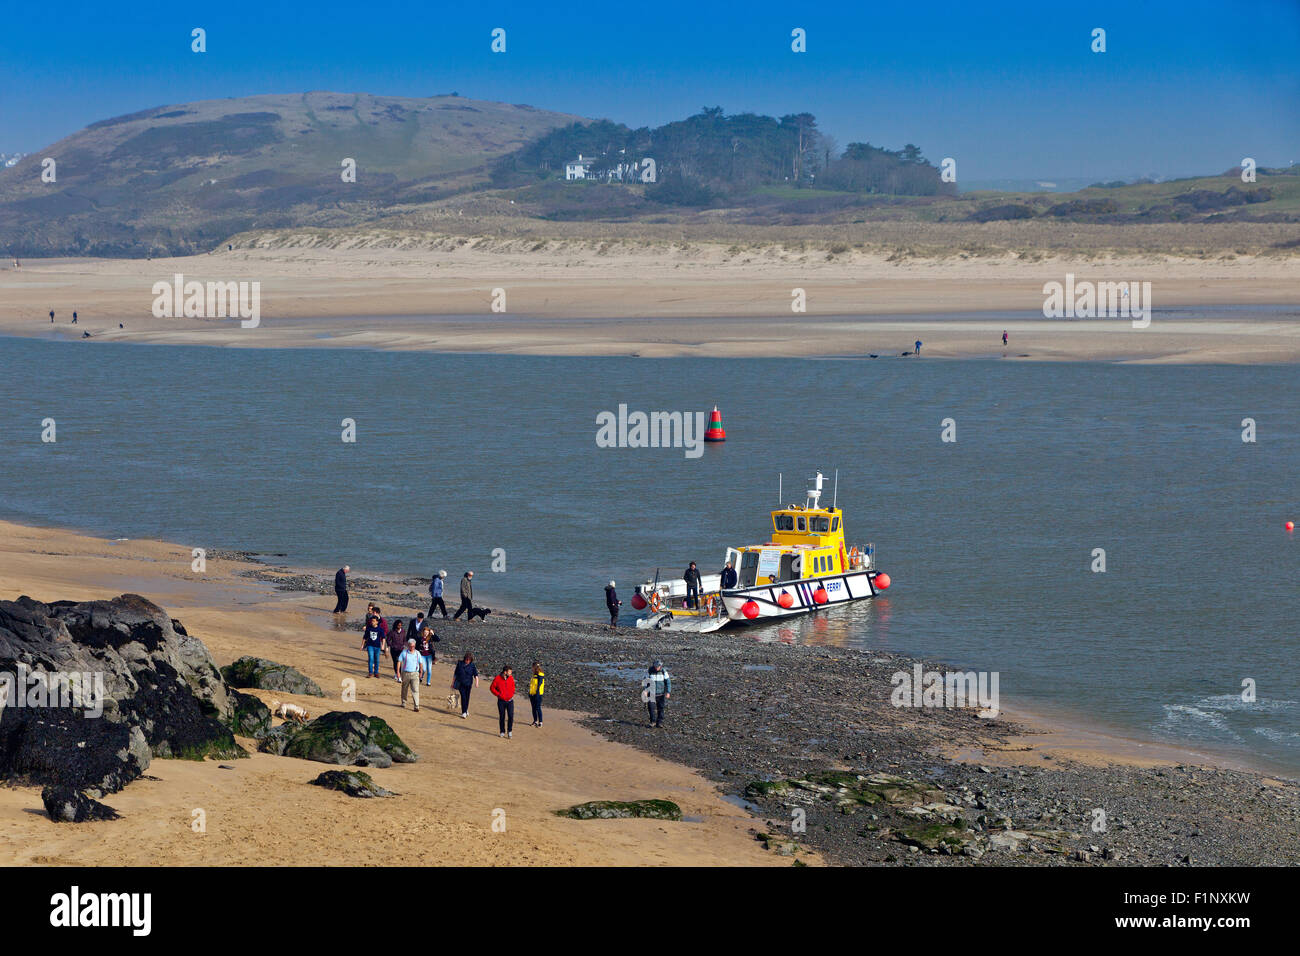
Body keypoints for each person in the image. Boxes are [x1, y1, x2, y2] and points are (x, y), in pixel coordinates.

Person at [398, 637, 425, 711]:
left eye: (413, 646)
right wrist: (398, 673)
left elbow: (420, 663)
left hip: (415, 673)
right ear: (408, 645)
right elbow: (399, 662)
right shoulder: (404, 652)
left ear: (415, 645)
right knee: (404, 689)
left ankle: (416, 706)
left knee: (415, 690)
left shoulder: (417, 653)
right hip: (405, 673)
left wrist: (421, 672)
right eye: (410, 646)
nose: (412, 647)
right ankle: (403, 702)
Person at [644, 660, 671, 728]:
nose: (656, 668)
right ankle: (652, 722)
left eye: (658, 667)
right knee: (651, 708)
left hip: (661, 693)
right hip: (651, 693)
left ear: (660, 666)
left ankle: (659, 723)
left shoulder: (664, 672)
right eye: (655, 666)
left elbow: (668, 682)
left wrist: (668, 692)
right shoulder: (650, 671)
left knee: (661, 708)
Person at [490, 665, 516, 738]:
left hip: (510, 701)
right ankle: (502, 731)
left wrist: (511, 694)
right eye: (509, 672)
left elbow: (513, 687)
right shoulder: (497, 678)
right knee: (502, 716)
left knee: (511, 716)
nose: (511, 674)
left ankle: (510, 731)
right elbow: (492, 688)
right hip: (501, 701)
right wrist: (498, 694)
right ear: (505, 672)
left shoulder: (511, 678)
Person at [452, 652, 478, 718]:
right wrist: (452, 683)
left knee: (467, 698)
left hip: (468, 684)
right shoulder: (460, 664)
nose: (467, 661)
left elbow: (476, 675)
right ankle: (464, 712)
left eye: (469, 660)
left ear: (471, 660)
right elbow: (455, 674)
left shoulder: (472, 665)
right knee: (463, 697)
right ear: (464, 659)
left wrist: (476, 682)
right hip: (461, 684)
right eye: (466, 659)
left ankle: (466, 709)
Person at [361, 611, 385, 678]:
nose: (372, 622)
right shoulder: (369, 628)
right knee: (371, 658)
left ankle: (376, 672)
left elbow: (383, 638)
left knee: (377, 660)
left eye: (374, 621)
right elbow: (365, 637)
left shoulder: (380, 629)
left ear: (377, 622)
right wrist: (362, 645)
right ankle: (370, 672)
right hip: (370, 646)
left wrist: (383, 645)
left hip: (377, 646)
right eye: (372, 621)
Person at [528, 662, 545, 727]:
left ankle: (540, 722)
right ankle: (535, 721)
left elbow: (539, 684)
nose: (532, 668)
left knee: (538, 708)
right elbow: (532, 685)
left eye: (532, 667)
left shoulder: (540, 674)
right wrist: (530, 692)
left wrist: (537, 693)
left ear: (534, 667)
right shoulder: (534, 675)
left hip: (538, 694)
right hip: (532, 693)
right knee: (533, 708)